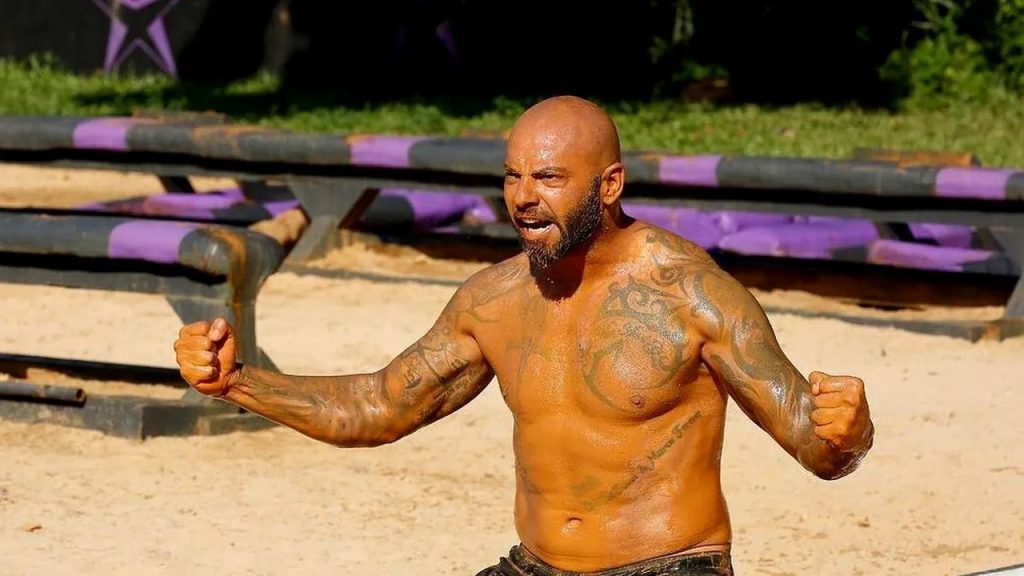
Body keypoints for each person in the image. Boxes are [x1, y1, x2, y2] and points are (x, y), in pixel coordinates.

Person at [173, 96, 874, 575]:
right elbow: (379, 406)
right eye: (512, 176)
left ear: (609, 185)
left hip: (669, 567)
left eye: (547, 177)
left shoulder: (692, 295)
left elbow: (817, 448)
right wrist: (236, 382)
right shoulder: (494, 300)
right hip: (534, 567)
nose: (523, 197)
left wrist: (850, 432)